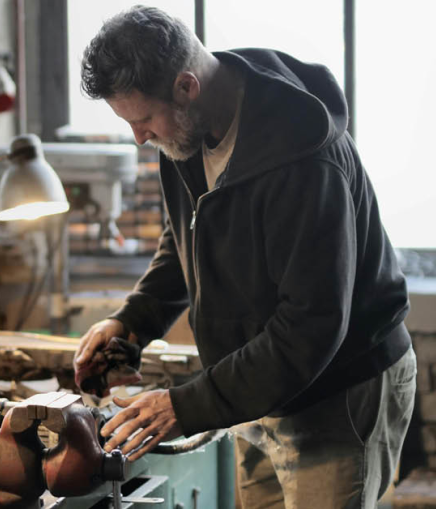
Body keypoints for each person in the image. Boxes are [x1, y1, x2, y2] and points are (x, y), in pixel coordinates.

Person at [73, 6, 417, 508]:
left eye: (143, 119)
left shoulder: (303, 161)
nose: (139, 137)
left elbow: (312, 325)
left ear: (187, 87)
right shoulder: (187, 134)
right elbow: (188, 239)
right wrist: (132, 320)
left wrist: (185, 405)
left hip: (338, 391)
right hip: (256, 386)